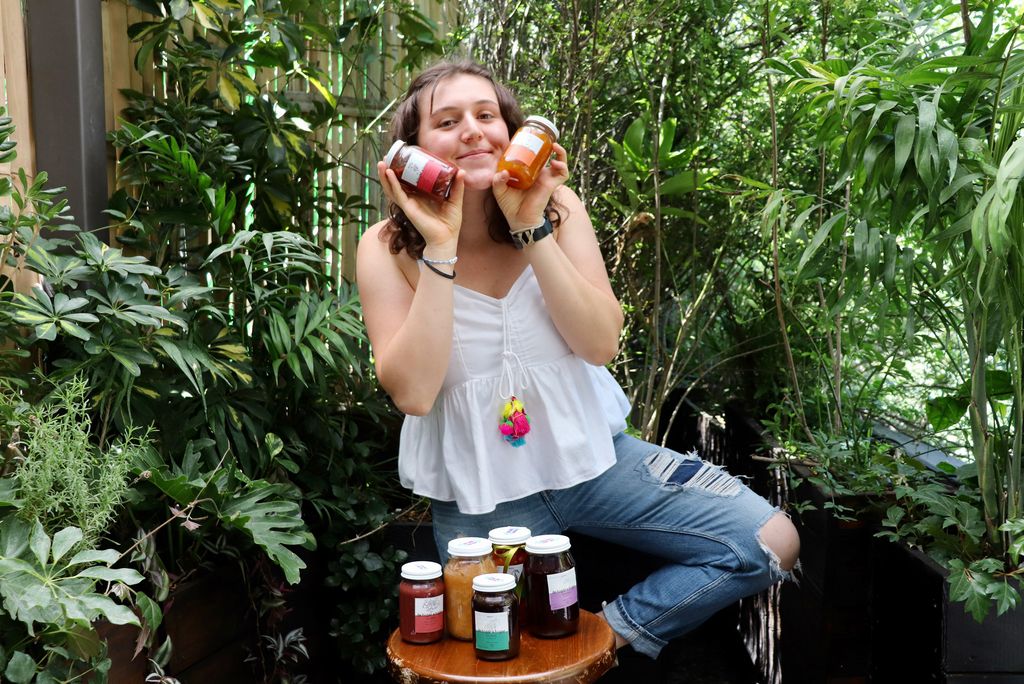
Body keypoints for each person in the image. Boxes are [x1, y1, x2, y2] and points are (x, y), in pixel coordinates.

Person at [356, 58, 799, 659]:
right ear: (413, 152)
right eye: (448, 121)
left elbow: (599, 345)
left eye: (487, 115)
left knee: (766, 541)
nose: (472, 131)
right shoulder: (387, 249)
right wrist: (439, 244)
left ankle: (606, 641)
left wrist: (532, 223)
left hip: (594, 460)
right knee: (493, 655)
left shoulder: (558, 208)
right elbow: (413, 393)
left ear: (513, 134)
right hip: (480, 492)